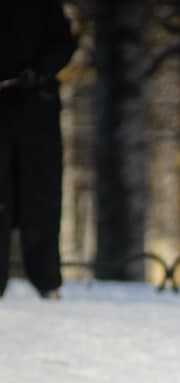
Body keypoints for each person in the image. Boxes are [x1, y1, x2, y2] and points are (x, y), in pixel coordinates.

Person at [0, 1, 77, 301]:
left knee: (40, 195)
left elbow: (64, 42)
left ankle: (46, 280)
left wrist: (40, 71)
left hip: (36, 104)